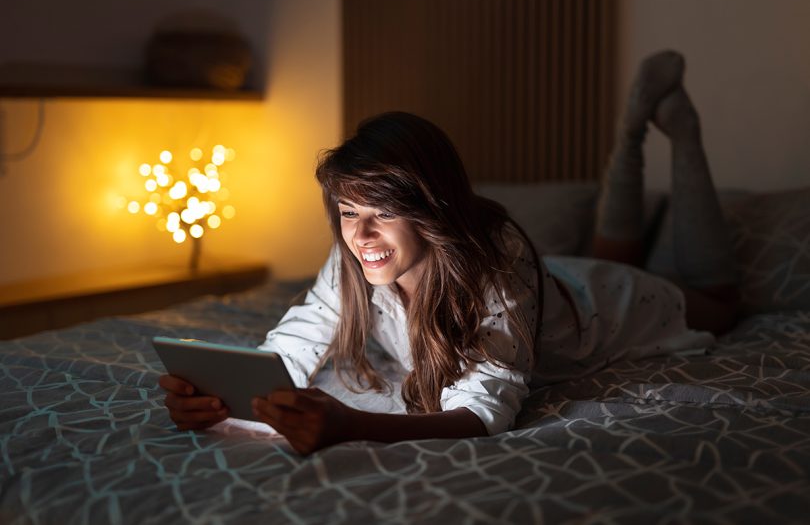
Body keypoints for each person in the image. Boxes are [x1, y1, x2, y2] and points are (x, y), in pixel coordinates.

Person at [159, 50, 739, 455]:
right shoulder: (354, 254)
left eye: (382, 213)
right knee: (615, 250)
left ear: (432, 209)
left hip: (607, 309)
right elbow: (295, 341)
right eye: (348, 212)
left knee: (721, 301)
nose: (360, 236)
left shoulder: (494, 267)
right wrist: (224, 398)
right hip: (555, 284)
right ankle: (630, 136)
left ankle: (673, 132)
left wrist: (350, 426)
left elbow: (487, 410)